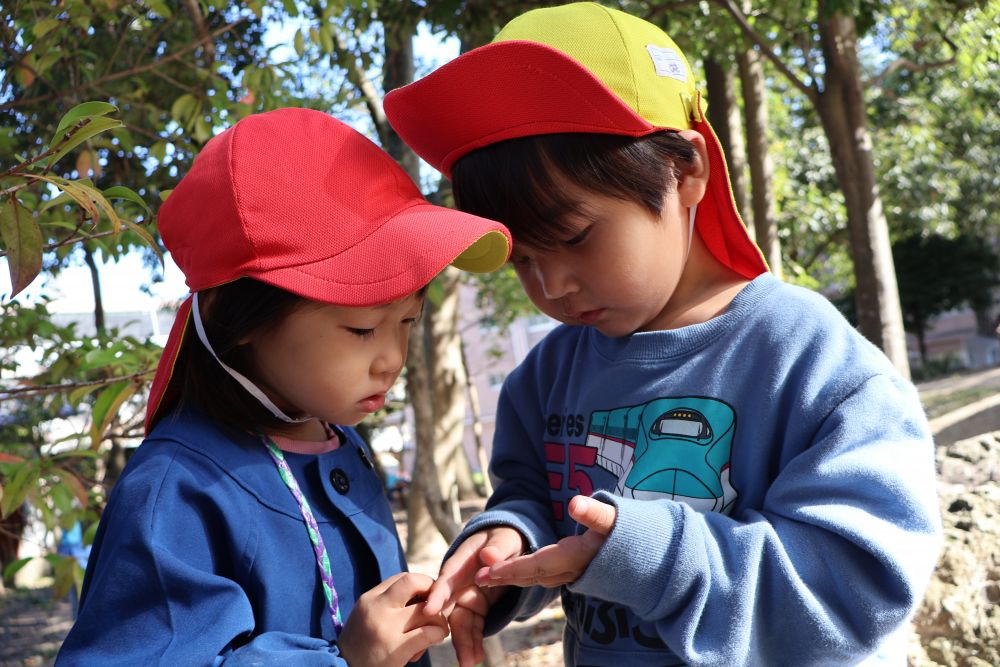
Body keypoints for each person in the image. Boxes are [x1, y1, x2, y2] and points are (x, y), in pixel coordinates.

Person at [383, 3, 942, 666]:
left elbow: (860, 586)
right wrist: (507, 539)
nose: (551, 284)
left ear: (686, 173)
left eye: (574, 237)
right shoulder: (545, 378)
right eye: (522, 259)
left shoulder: (811, 361)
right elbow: (533, 495)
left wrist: (652, 554)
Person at [56, 108, 511, 666]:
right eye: (362, 328)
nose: (391, 358)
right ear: (240, 319)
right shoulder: (178, 492)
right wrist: (341, 658)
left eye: (408, 322)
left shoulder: (337, 439)